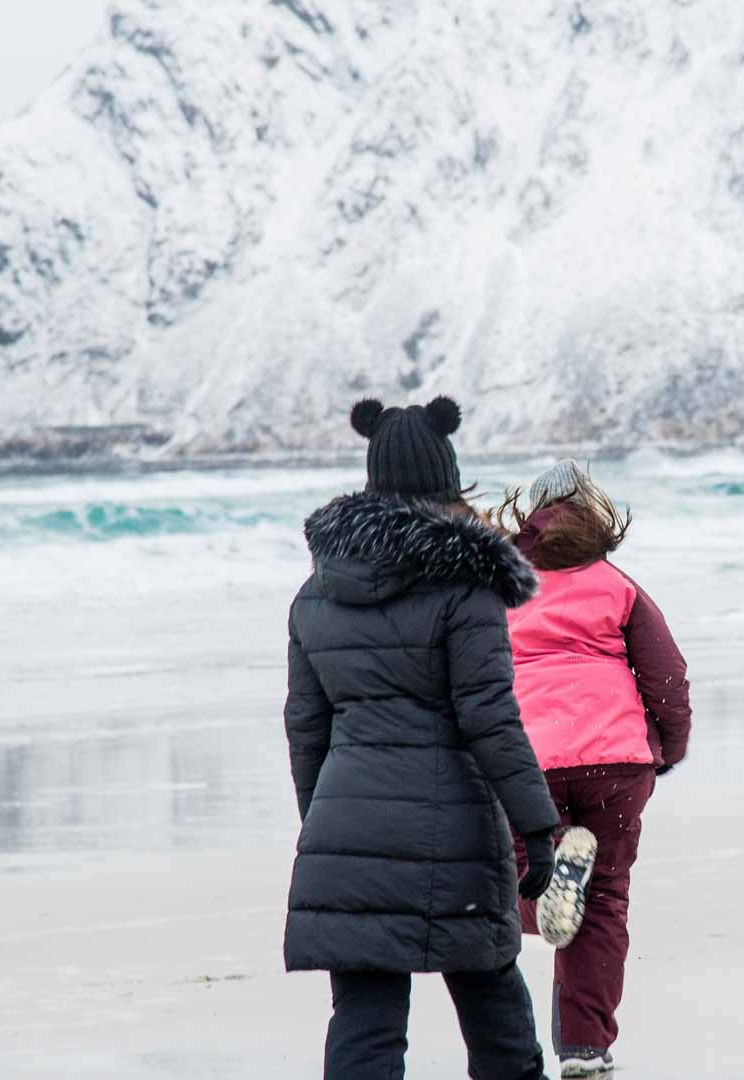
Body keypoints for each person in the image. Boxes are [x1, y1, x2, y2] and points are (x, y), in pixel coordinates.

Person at [283, 396, 560, 1079]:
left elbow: (304, 726)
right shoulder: (466, 589)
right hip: (454, 831)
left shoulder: (316, 593)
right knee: (493, 1003)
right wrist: (539, 825)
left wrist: (324, 821)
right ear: (448, 479)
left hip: (344, 827)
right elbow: (489, 717)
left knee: (365, 1022)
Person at [492, 460, 693, 1078]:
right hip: (617, 759)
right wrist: (668, 746)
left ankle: (546, 892)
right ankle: (585, 1050)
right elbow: (665, 675)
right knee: (603, 897)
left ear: (529, 516)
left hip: (530, 760)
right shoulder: (617, 584)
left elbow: (472, 672)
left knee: (522, 876)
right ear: (594, 510)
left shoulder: (499, 584)